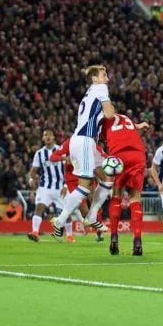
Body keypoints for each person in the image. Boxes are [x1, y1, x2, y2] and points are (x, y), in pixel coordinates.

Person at [51, 65, 113, 239]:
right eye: (104, 74)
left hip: (86, 142)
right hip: (84, 140)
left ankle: (92, 216)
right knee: (84, 187)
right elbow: (109, 114)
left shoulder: (89, 92)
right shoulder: (100, 88)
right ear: (95, 78)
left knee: (108, 177)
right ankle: (60, 220)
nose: (107, 78)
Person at [102, 113, 149, 255]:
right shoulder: (124, 117)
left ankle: (114, 237)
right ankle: (137, 240)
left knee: (116, 195)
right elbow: (129, 129)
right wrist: (140, 125)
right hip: (137, 155)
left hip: (119, 155)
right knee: (135, 198)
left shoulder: (100, 120)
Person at [49, 137, 106, 242]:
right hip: (72, 180)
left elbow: (103, 156)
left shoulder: (91, 143)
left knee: (94, 202)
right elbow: (53, 157)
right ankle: (96, 228)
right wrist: (64, 158)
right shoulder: (70, 142)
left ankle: (99, 232)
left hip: (87, 175)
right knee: (84, 211)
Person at [27, 129, 65, 242]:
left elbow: (69, 168)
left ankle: (66, 235)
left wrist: (67, 185)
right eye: (45, 135)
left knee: (64, 213)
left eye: (50, 134)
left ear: (53, 137)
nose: (47, 136)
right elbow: (33, 171)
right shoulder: (39, 153)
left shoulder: (61, 150)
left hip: (60, 187)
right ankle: (35, 232)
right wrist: (32, 178)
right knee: (39, 208)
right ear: (43, 138)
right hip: (45, 187)